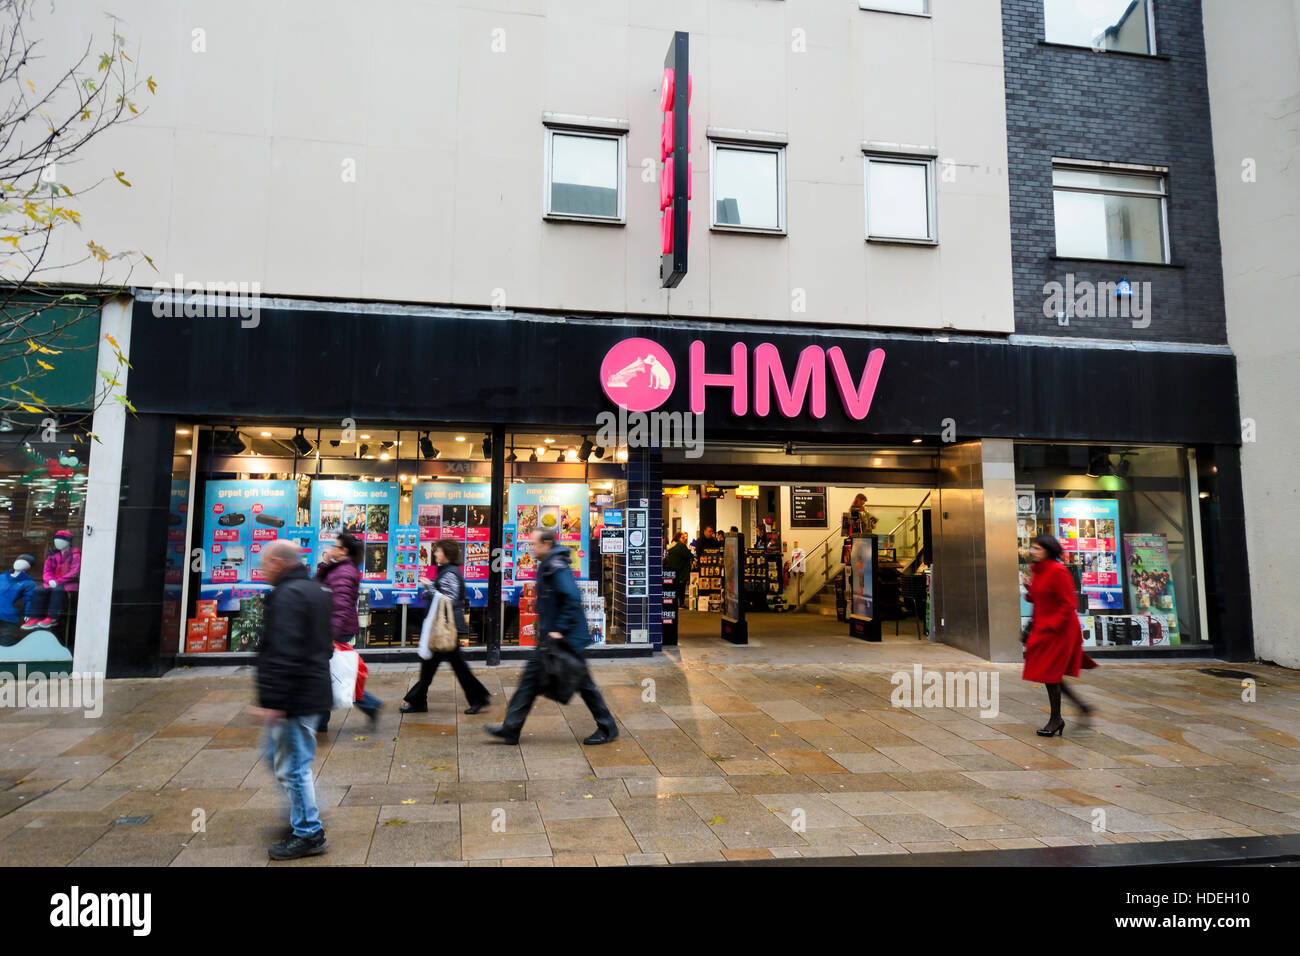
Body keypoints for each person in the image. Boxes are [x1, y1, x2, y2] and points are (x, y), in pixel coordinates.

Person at [486, 528, 617, 745]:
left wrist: (559, 628)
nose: (531, 548)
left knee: (584, 684)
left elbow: (573, 598)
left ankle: (608, 726)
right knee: (529, 682)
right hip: (552, 639)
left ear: (547, 543)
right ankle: (511, 728)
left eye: (534, 544)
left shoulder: (557, 566)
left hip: (565, 639)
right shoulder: (549, 564)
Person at [250, 539, 333, 860]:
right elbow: (325, 645)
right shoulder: (314, 590)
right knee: (276, 756)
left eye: (264, 564)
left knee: (293, 767)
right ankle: (302, 813)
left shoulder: (287, 596)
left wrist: (274, 701)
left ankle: (309, 832)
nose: (261, 570)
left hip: (295, 697)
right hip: (309, 691)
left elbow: (282, 652)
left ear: (278, 563)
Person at [400, 539, 491, 715]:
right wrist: (432, 587)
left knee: (452, 666)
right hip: (442, 626)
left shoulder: (450, 573)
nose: (435, 554)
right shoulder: (446, 571)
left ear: (447, 554)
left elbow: (447, 598)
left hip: (446, 627)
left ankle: (477, 698)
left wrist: (429, 587)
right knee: (433, 665)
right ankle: (419, 700)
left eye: (438, 551)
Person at [1022, 534, 1096, 736]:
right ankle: (1080, 707)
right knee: (1050, 674)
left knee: (1050, 674)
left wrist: (1051, 625)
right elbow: (1038, 597)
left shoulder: (1058, 570)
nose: (1033, 552)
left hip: (1060, 629)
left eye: (1038, 548)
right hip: (1045, 628)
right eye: (1033, 548)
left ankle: (1056, 719)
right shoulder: (1038, 570)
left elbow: (1068, 604)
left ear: (1049, 550)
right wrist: (1029, 587)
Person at [316, 531, 382, 732]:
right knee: (330, 674)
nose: (331, 549)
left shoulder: (344, 572)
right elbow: (317, 587)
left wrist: (331, 636)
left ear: (344, 551)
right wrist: (325, 565)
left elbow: (342, 606)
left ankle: (321, 722)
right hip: (331, 628)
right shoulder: (339, 568)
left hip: (335, 630)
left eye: (335, 546)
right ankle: (368, 705)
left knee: (327, 675)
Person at [22, 530, 80, 630]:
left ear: (68, 542)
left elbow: (74, 571)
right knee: (39, 590)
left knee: (58, 590)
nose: (57, 542)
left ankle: (52, 617)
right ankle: (34, 617)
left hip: (69, 583)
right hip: (52, 582)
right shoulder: (52, 555)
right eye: (56, 540)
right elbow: (47, 570)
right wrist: (49, 580)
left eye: (61, 540)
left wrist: (58, 581)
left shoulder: (75, 555)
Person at [0, 553, 37, 645]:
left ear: (28, 567)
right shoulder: (2, 578)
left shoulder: (29, 583)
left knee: (6, 646)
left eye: (24, 561)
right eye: (18, 560)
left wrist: (28, 614)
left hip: (10, 620)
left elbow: (29, 600)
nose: (19, 562)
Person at [663, 531, 693, 616]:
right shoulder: (680, 546)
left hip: (674, 570)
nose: (685, 539)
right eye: (683, 537)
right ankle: (681, 603)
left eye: (685, 537)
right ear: (678, 538)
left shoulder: (673, 545)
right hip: (680, 570)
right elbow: (689, 555)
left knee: (675, 587)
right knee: (681, 587)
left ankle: (676, 602)